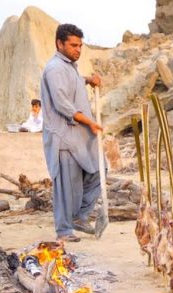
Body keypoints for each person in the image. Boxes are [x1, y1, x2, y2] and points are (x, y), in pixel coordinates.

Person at [40, 23, 103, 242]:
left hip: (79, 136)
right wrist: (90, 122)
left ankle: (79, 216)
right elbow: (62, 103)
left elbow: (72, 81)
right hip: (63, 137)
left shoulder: (69, 67)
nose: (78, 50)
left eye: (80, 46)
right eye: (73, 45)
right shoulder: (54, 68)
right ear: (60, 43)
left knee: (99, 171)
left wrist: (88, 80)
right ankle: (64, 230)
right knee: (67, 184)